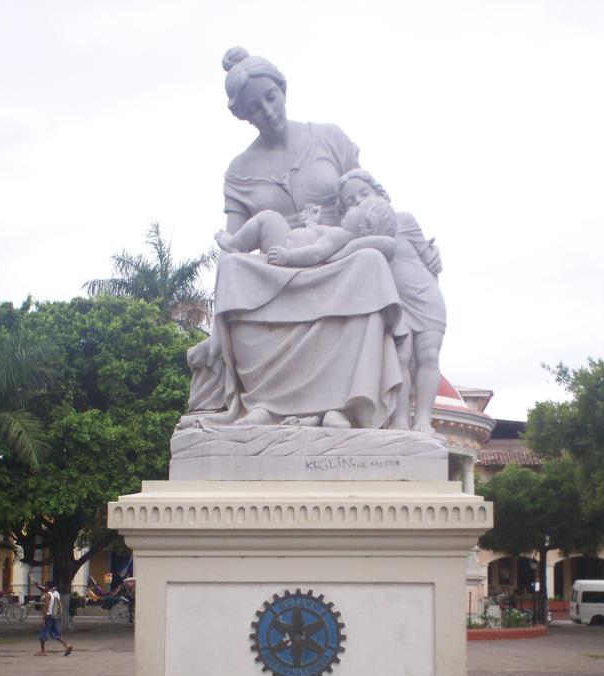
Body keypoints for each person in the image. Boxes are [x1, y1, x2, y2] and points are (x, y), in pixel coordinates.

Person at [186, 47, 409, 430]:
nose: (268, 111)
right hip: (279, 264)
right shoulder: (238, 171)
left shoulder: (329, 138)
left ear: (283, 89)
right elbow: (236, 241)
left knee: (370, 263)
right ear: (242, 115)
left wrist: (412, 242)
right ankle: (263, 403)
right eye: (255, 107)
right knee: (233, 269)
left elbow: (372, 199)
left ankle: (344, 406)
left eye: (270, 97)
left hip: (337, 256)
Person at [338, 169, 447, 432]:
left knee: (428, 355)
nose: (359, 201)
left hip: (425, 297)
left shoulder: (404, 220)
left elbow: (429, 259)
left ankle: (422, 419)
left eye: (364, 193)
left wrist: (436, 257)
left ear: (378, 191)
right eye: (350, 200)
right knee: (400, 357)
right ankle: (399, 419)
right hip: (394, 302)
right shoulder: (356, 235)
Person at [215, 199, 397, 266]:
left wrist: (288, 257)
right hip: (285, 243)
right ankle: (238, 246)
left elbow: (317, 253)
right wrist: (312, 222)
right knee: (270, 219)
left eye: (357, 207)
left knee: (268, 218)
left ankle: (236, 245)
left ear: (366, 225)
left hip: (284, 247)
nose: (350, 207)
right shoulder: (338, 234)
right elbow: (316, 235)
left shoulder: (340, 236)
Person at [35, 582, 72, 657]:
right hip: (55, 616)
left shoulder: (48, 595)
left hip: (48, 616)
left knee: (42, 633)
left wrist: (43, 619)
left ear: (47, 587)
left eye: (45, 586)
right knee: (55, 632)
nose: (44, 588)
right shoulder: (56, 593)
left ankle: (43, 651)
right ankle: (66, 645)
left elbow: (46, 607)